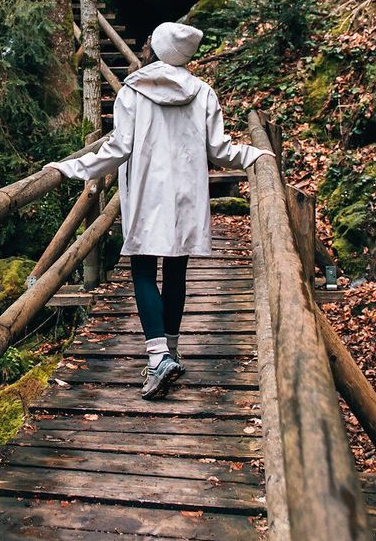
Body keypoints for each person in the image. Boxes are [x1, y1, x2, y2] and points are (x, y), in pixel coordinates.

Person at [46, 21, 273, 399]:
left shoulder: (133, 92)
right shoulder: (203, 93)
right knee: (177, 270)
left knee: (143, 271)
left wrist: (69, 167)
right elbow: (219, 150)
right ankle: (171, 349)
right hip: (186, 196)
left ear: (156, 49)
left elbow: (118, 148)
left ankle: (157, 358)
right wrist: (254, 153)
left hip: (148, 195)